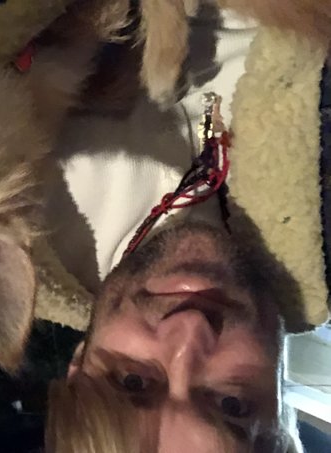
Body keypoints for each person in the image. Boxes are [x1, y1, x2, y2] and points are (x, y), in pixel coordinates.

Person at [40, 5, 330, 452]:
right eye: (232, 404)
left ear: (78, 365)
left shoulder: (23, 202)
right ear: (279, 407)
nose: (190, 330)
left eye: (132, 381)